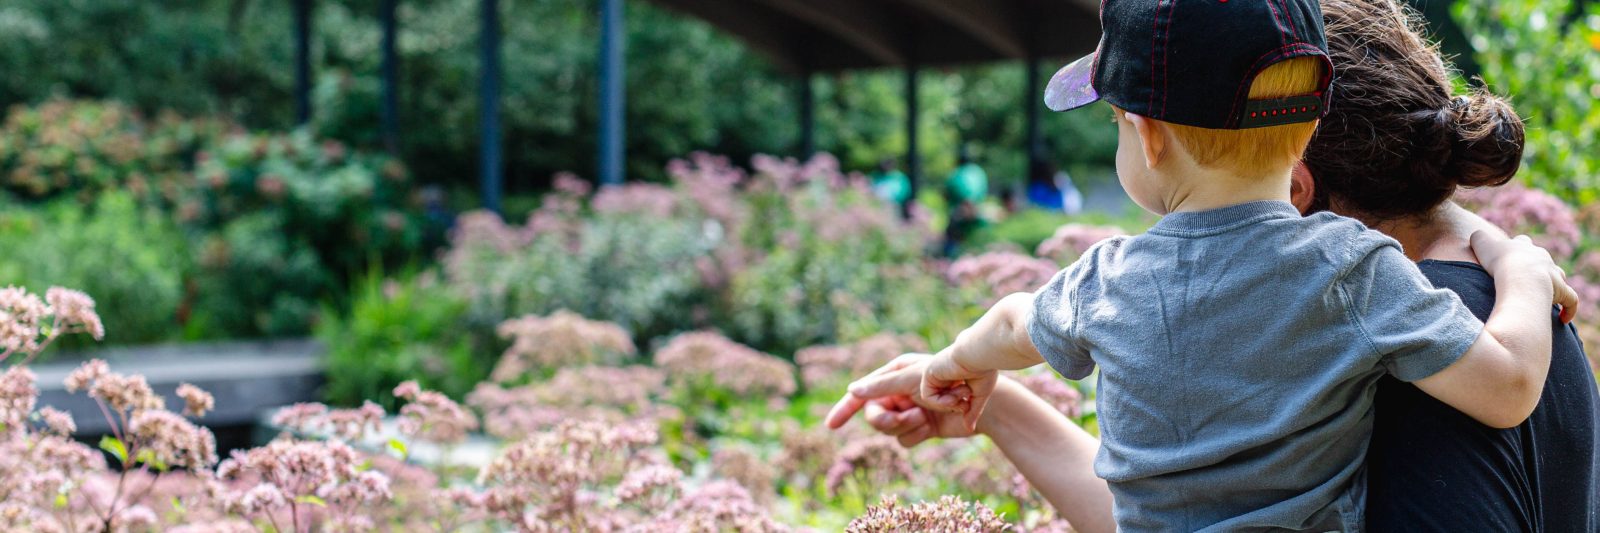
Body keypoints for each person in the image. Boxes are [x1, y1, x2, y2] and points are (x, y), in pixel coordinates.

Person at [829, 0, 1599, 531]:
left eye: (1120, 125)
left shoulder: (1416, 371)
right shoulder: (1398, 300)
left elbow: (1011, 324)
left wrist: (954, 360)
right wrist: (988, 403)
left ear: (1302, 186)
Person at [942, 147, 989, 256]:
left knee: (952, 238)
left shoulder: (956, 173)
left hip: (961, 211)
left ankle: (949, 259)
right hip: (978, 210)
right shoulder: (979, 172)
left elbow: (947, 194)